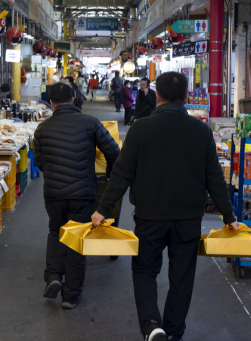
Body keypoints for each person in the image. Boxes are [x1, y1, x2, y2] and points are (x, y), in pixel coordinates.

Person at [91, 72, 237, 341]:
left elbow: (121, 174)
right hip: (188, 219)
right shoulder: (201, 131)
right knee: (182, 277)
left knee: (145, 270)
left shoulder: (140, 128)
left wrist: (103, 209)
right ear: (186, 97)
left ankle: (151, 326)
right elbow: (214, 177)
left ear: (156, 95)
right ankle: (173, 331)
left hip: (150, 217)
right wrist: (229, 216)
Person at [34, 83, 120, 310]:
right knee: (76, 240)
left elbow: (40, 163)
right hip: (82, 193)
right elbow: (114, 152)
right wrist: (110, 174)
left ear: (50, 102)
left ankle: (53, 276)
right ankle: (71, 296)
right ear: (74, 98)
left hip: (53, 193)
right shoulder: (91, 123)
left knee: (55, 232)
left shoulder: (41, 129)